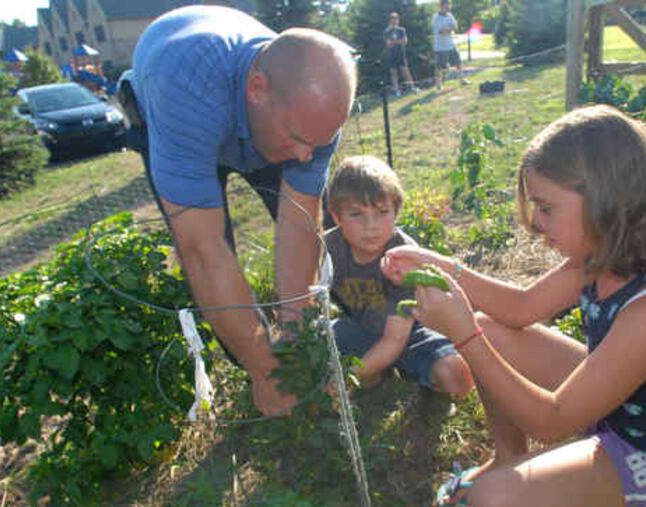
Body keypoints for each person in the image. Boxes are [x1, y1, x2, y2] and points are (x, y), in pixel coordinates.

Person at [381, 105, 646, 506]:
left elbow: (554, 420)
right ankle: (507, 458)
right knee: (492, 329)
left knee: (492, 499)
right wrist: (439, 263)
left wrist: (463, 334)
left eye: (547, 208)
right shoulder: (600, 255)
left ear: (605, 200)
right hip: (618, 411)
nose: (537, 223)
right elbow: (520, 307)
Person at [120, 5, 357, 416]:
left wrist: (296, 331)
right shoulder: (186, 90)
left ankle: (355, 327)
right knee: (217, 257)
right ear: (257, 88)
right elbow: (204, 252)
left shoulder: (313, 112)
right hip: (178, 111)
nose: (305, 155)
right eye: (299, 138)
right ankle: (259, 374)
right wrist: (266, 369)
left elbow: (299, 224)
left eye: (319, 144)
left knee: (326, 237)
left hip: (254, 118)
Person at [325, 155, 473, 396]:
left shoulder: (405, 257)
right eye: (356, 214)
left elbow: (395, 339)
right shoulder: (327, 249)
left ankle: (381, 369)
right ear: (336, 215)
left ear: (396, 210)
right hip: (361, 327)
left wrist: (346, 379)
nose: (370, 225)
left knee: (456, 379)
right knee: (310, 339)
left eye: (382, 212)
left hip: (412, 332)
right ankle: (375, 368)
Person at [432, 0, 467, 90]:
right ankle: (438, 85)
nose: (448, 8)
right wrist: (450, 28)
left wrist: (448, 29)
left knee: (458, 62)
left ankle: (462, 80)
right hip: (440, 47)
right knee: (439, 67)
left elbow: (455, 27)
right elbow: (441, 31)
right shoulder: (436, 17)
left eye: (448, 6)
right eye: (446, 7)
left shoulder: (450, 15)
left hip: (451, 44)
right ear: (441, 6)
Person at [383, 12, 419, 97]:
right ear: (390, 20)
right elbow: (388, 44)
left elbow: (405, 41)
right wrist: (398, 42)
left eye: (396, 19)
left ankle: (412, 87)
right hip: (391, 55)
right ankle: (396, 90)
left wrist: (394, 42)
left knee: (405, 71)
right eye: (392, 19)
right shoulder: (387, 32)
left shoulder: (401, 30)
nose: (394, 21)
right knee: (393, 73)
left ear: (398, 20)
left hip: (401, 54)